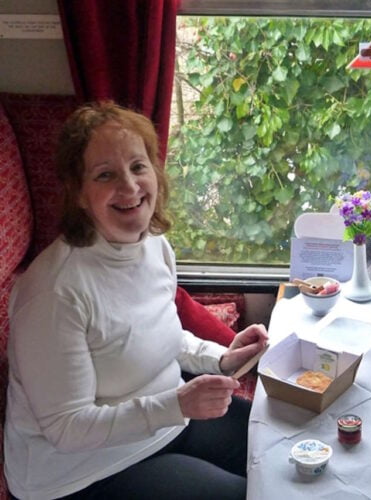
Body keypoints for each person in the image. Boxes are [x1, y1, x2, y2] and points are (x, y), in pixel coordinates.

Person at [4, 101, 268, 500]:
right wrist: (177, 404)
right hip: (80, 473)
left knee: (278, 445)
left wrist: (219, 358)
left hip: (165, 421)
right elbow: (67, 427)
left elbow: (158, 335)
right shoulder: (54, 293)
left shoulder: (154, 247)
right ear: (78, 193)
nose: (129, 187)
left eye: (138, 167)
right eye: (105, 174)